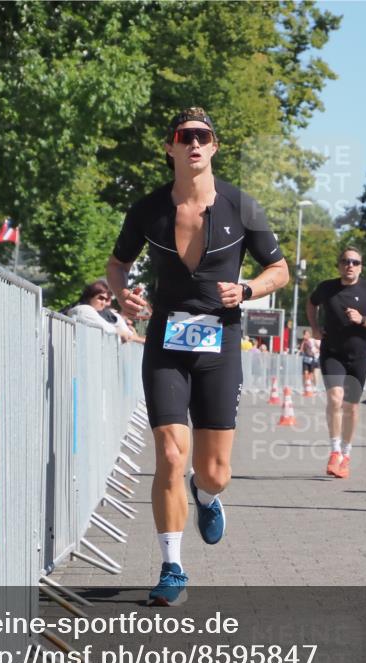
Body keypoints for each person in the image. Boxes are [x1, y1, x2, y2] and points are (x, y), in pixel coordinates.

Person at [107, 107, 289, 605]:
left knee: (215, 472)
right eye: (184, 136)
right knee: (169, 454)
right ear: (170, 147)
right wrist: (123, 295)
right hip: (167, 341)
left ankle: (205, 495)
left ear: (214, 147)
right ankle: (172, 567)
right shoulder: (148, 209)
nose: (193, 143)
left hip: (220, 343)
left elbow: (280, 270)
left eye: (202, 136)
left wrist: (247, 289)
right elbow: (117, 264)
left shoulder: (241, 206)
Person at [306, 246, 366, 478]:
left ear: (361, 267)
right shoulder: (327, 288)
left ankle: (346, 453)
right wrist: (314, 328)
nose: (350, 265)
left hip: (358, 357)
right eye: (345, 261)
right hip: (332, 353)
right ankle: (334, 451)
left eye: (355, 262)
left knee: (351, 407)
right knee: (335, 398)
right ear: (339, 265)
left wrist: (362, 319)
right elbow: (311, 303)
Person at [64, 280, 131, 342]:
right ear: (89, 297)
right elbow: (108, 330)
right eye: (101, 298)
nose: (104, 303)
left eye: (106, 299)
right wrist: (121, 332)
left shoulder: (101, 313)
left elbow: (128, 334)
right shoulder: (84, 309)